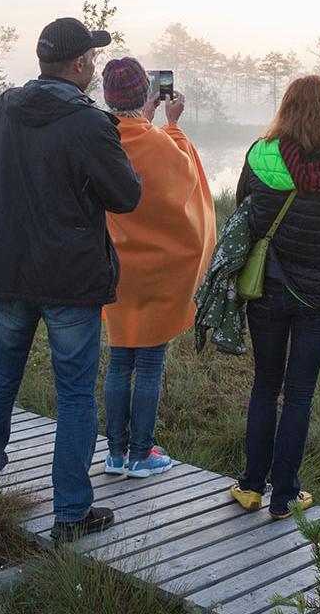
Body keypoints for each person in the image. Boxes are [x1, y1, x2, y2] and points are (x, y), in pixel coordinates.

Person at [0, 17, 141, 542]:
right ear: (81, 65)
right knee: (75, 396)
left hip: (7, 272)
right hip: (71, 282)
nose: (93, 64)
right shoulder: (90, 125)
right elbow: (126, 196)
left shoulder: (0, 111)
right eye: (92, 58)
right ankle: (71, 515)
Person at [227, 75, 320, 520]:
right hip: (318, 297)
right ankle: (285, 496)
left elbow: (242, 215)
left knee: (265, 384)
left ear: (285, 110)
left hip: (265, 289)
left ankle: (250, 487)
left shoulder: (258, 157)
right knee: (299, 393)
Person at [97, 57, 217, 480]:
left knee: (119, 362)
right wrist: (172, 121)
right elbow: (184, 173)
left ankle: (114, 454)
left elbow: (130, 139)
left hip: (116, 273)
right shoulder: (162, 143)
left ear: (107, 97)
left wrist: (144, 119)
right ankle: (141, 453)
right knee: (148, 365)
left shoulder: (100, 140)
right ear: (145, 94)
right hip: (160, 277)